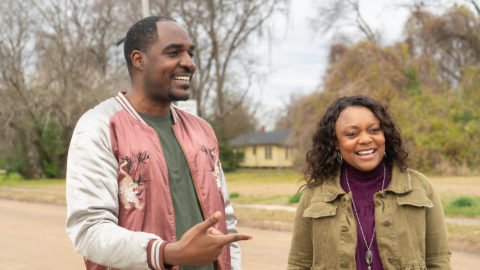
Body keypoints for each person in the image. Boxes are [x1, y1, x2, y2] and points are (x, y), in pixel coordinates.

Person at [66, 16, 251, 270]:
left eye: (190, 53)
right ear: (138, 60)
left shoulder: (202, 130)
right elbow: (88, 229)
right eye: (173, 53)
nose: (189, 63)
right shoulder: (99, 127)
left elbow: (226, 221)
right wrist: (166, 253)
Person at [287, 95, 451, 269]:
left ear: (385, 135)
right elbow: (299, 263)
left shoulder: (419, 187)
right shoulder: (315, 195)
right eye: (352, 134)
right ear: (335, 141)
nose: (365, 139)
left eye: (374, 130)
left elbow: (438, 260)